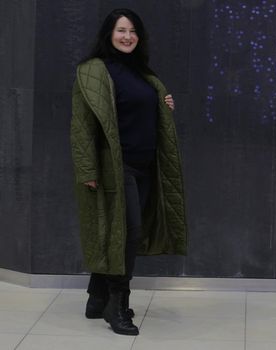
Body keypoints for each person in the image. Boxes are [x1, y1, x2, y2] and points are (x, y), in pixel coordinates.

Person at [70, 8, 188, 336]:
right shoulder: (93, 71)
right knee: (127, 234)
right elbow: (81, 127)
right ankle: (116, 305)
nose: (127, 36)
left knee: (120, 234)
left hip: (145, 165)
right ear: (109, 34)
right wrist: (87, 169)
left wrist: (163, 106)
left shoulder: (142, 74)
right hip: (114, 167)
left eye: (133, 31)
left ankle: (97, 297)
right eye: (121, 30)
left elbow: (143, 110)